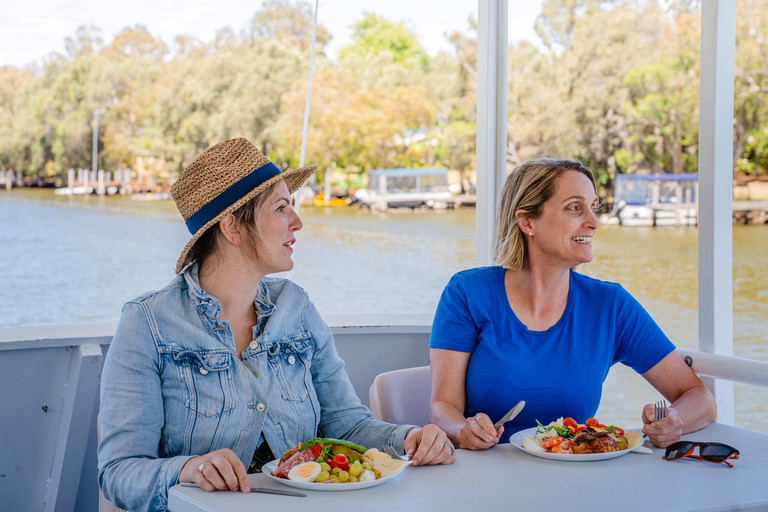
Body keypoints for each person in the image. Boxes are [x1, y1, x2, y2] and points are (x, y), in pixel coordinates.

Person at [98, 138, 455, 512]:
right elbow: (119, 473)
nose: (297, 222)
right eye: (281, 208)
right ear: (233, 228)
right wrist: (188, 469)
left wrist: (409, 438)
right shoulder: (148, 323)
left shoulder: (296, 307)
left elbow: (347, 427)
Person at [429, 158, 716, 451]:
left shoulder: (611, 306)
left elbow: (700, 398)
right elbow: (443, 406)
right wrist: (462, 429)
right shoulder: (467, 293)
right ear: (527, 221)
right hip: (483, 478)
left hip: (578, 479)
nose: (594, 222)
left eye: (594, 207)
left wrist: (674, 420)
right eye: (575, 208)